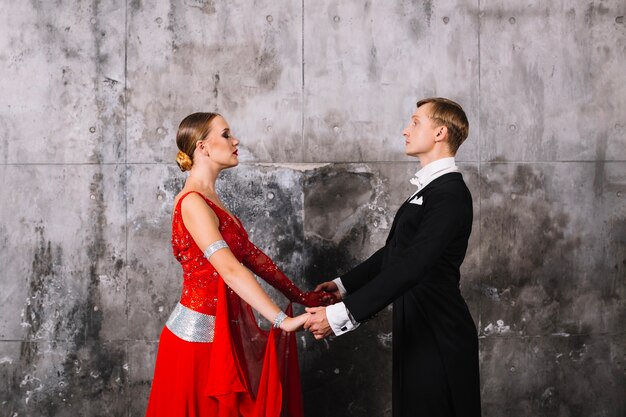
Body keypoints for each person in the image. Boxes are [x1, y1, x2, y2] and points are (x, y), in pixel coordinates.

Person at [145, 112, 335, 417]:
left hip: (220, 338)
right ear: (203, 146)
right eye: (226, 134)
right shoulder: (192, 201)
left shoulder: (212, 199)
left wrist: (302, 297)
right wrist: (281, 321)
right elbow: (231, 270)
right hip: (195, 343)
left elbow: (255, 259)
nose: (236, 141)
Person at [305, 97, 482, 417]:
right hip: (416, 326)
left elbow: (414, 265)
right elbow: (398, 251)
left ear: (440, 132)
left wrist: (340, 316)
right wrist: (343, 285)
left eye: (415, 122)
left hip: (439, 331)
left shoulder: (450, 193)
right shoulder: (432, 189)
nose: (405, 130)